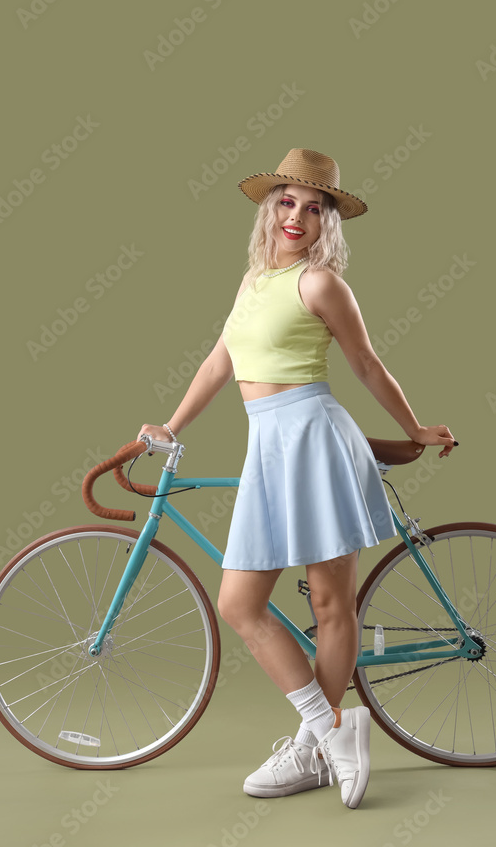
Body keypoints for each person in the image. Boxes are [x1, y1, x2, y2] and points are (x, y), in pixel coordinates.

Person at [137, 148, 457, 809]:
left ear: (326, 224)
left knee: (329, 605)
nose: (296, 216)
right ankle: (334, 727)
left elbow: (366, 364)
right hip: (269, 444)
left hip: (312, 438)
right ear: (269, 208)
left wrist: (416, 424)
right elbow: (219, 361)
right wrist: (173, 424)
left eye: (314, 208)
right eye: (287, 202)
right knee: (239, 604)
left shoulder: (319, 284)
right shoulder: (253, 282)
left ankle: (315, 747)